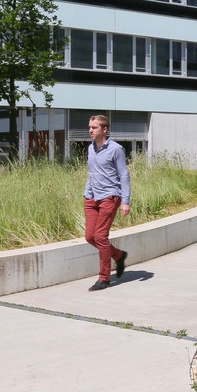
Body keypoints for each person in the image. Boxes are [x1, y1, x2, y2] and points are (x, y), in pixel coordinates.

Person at [83, 115, 130, 292]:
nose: (90, 130)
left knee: (100, 237)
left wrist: (125, 201)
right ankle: (118, 255)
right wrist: (87, 194)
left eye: (94, 127)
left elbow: (124, 175)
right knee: (90, 237)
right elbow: (91, 173)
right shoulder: (90, 148)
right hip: (91, 197)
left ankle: (104, 278)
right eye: (90, 127)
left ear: (104, 130)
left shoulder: (116, 149)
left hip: (110, 197)